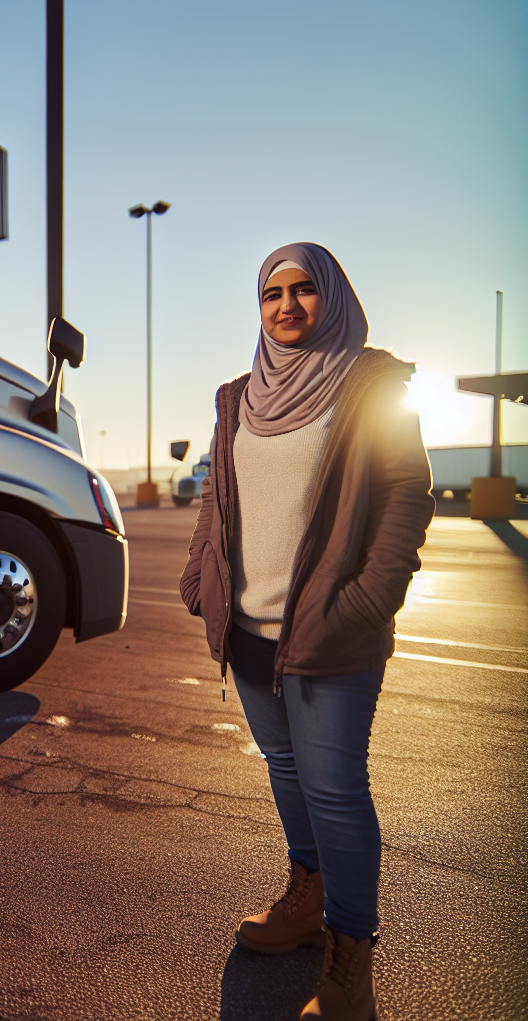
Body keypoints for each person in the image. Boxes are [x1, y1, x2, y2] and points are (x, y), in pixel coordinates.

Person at [179, 243, 434, 1021]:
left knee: (336, 789)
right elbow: (216, 498)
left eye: (303, 290)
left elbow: (405, 497)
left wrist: (365, 603)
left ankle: (351, 961)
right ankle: (307, 900)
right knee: (285, 770)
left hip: (330, 635)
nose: (286, 306)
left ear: (333, 297)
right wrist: (200, 581)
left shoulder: (369, 387)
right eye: (271, 294)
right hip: (249, 633)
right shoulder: (237, 398)